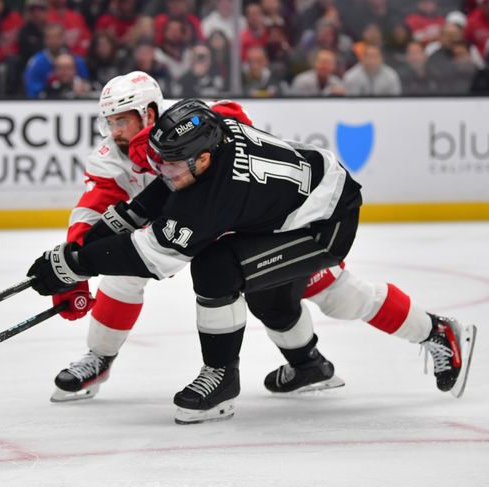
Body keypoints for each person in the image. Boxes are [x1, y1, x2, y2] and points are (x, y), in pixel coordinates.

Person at [30, 98, 476, 424]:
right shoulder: (205, 131)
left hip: (323, 221)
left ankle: (221, 377)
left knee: (224, 269)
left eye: (172, 166)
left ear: (202, 159)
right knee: (268, 297)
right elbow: (156, 195)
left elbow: (149, 257)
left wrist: (75, 266)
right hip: (291, 206)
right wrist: (86, 243)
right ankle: (309, 366)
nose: (162, 172)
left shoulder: (209, 199)